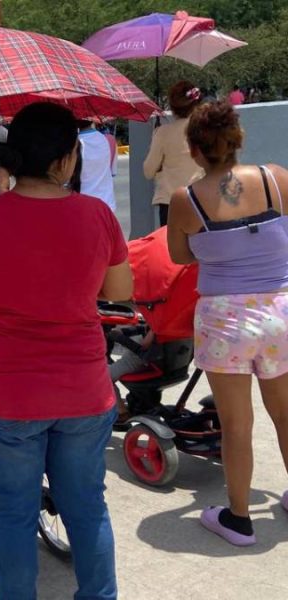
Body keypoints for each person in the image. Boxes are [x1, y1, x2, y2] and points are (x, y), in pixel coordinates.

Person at [0, 102, 132, 599]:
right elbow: (119, 289)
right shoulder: (98, 216)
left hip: (6, 395)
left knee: (11, 514)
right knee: (87, 508)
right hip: (83, 392)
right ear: (68, 160)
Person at [167, 100, 288, 546]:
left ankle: (239, 520)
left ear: (196, 150)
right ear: (238, 139)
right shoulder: (278, 179)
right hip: (280, 311)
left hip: (225, 321)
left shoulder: (187, 200)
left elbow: (180, 256)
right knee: (286, 413)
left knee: (237, 426)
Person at [144, 80, 204, 226]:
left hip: (170, 203)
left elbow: (148, 171)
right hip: (201, 200)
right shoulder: (206, 130)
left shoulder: (163, 133)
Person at [76, 119, 117, 210]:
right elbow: (113, 172)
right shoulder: (108, 140)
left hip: (82, 206)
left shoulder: (71, 145)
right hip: (107, 204)